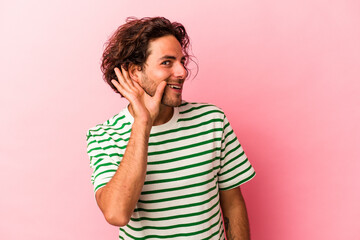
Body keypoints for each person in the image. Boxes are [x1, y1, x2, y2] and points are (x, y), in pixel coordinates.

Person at [86, 16, 256, 240]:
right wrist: (143, 124)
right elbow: (116, 214)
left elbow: (233, 205)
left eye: (181, 61)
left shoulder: (212, 120)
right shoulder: (105, 136)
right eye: (167, 62)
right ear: (134, 72)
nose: (182, 72)